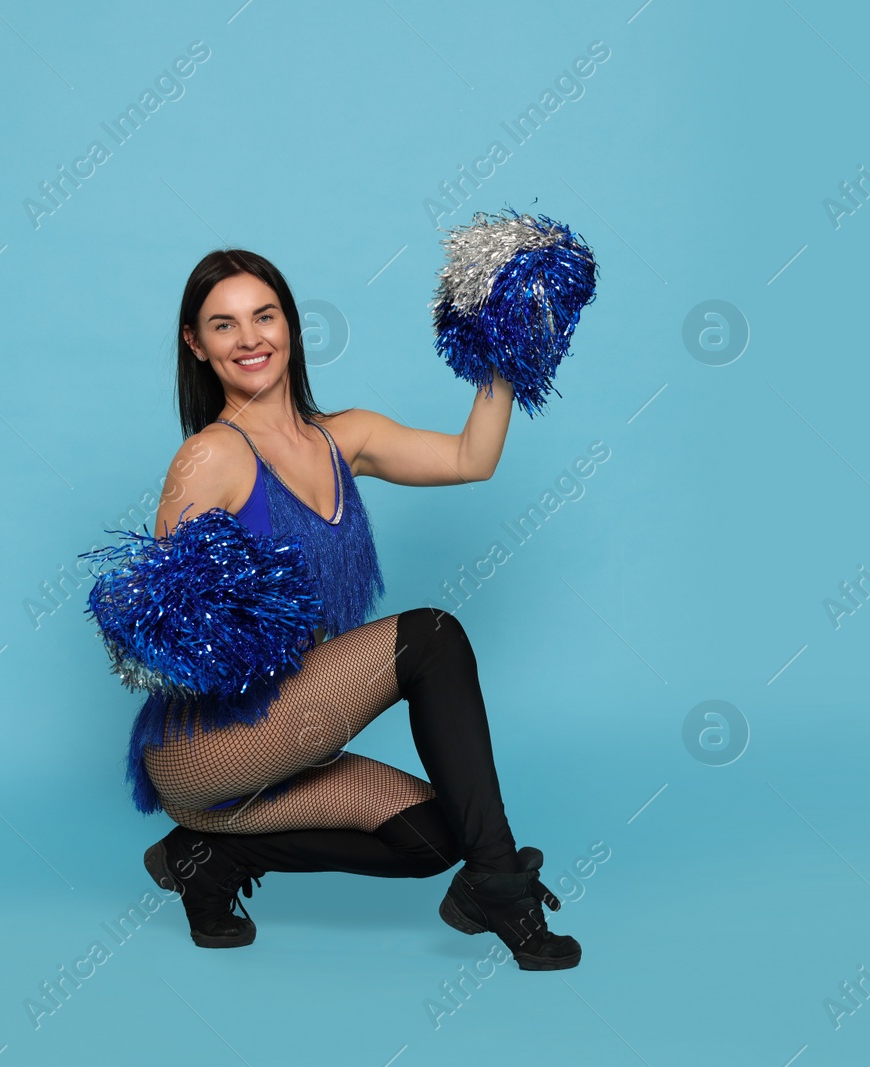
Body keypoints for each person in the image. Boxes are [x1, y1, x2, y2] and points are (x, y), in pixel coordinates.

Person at [133, 248, 580, 971]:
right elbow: (162, 629)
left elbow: (473, 457)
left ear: (291, 325)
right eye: (224, 325)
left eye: (263, 316)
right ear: (197, 344)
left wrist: (504, 343)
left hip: (293, 726)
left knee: (436, 837)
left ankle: (206, 859)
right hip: (208, 745)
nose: (249, 339)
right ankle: (501, 889)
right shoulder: (210, 457)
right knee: (432, 637)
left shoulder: (349, 438)